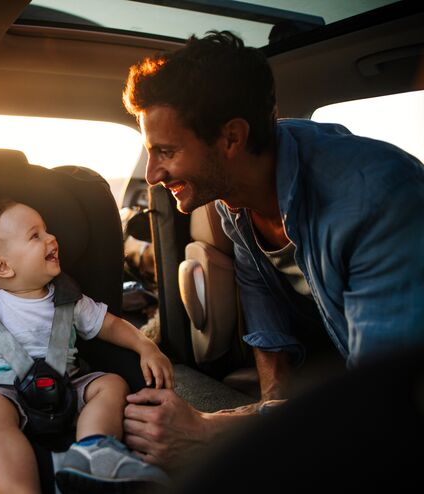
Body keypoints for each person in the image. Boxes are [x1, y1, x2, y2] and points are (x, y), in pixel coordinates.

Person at [119, 30, 424, 470]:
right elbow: (261, 301)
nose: (151, 175)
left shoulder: (376, 198)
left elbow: (382, 404)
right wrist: (271, 406)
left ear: (231, 138)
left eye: (165, 151)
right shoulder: (232, 198)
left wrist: (211, 433)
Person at [0, 199, 174, 493]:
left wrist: (145, 346)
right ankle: (18, 488)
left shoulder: (69, 298)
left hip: (68, 386)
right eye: (35, 235)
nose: (51, 238)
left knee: (112, 385)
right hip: (3, 391)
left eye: (46, 230)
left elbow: (111, 325)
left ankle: (93, 452)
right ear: (2, 267)